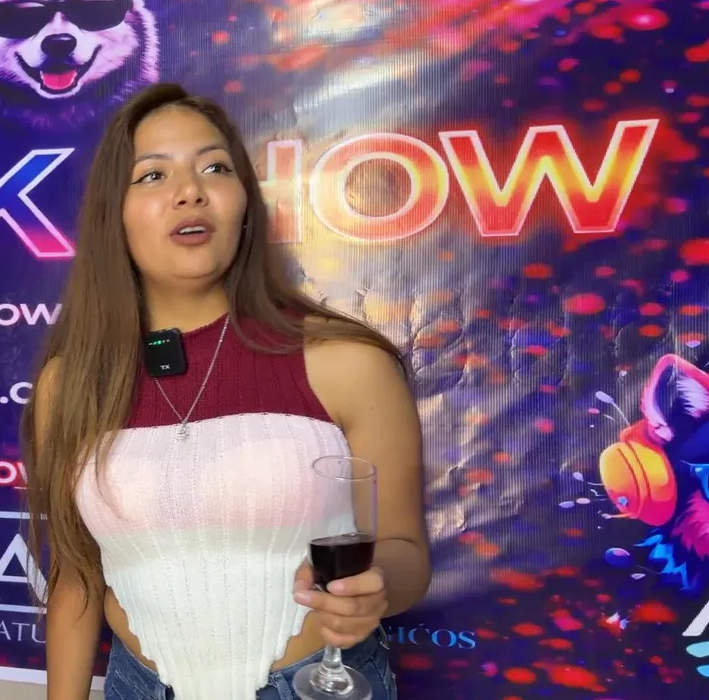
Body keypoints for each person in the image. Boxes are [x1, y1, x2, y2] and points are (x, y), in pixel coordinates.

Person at [22, 83, 429, 700]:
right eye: (152, 175)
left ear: (244, 203)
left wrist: (375, 588)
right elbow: (76, 577)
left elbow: (404, 551)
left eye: (215, 168)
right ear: (114, 214)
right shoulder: (71, 384)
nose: (190, 190)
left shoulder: (348, 363)